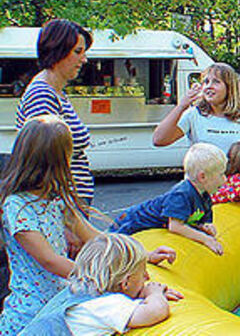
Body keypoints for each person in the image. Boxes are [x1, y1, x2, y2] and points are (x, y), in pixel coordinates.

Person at [0, 116, 176, 334]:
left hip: (61, 300)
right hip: (30, 313)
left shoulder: (54, 197)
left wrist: (142, 257)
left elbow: (94, 236)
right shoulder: (17, 207)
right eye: (69, 156)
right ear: (55, 161)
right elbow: (49, 260)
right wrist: (107, 279)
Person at [21, 233, 183, 336]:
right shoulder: (107, 305)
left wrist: (141, 294)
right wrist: (154, 294)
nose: (147, 278)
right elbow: (154, 312)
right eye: (143, 274)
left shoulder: (79, 292)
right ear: (125, 282)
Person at [15, 19, 95, 204]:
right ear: (57, 50)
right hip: (60, 205)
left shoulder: (56, 92)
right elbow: (44, 159)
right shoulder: (42, 95)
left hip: (69, 203)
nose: (84, 60)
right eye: (78, 52)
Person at [109, 143, 227, 256]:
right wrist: (206, 240)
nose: (225, 179)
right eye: (221, 174)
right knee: (110, 248)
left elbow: (196, 220)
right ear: (203, 177)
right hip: (131, 222)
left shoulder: (205, 196)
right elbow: (175, 226)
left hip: (143, 224)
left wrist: (204, 226)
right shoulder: (182, 194)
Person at [153, 63, 240, 155]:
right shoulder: (194, 114)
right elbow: (159, 140)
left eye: (216, 82)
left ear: (229, 88)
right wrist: (181, 106)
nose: (209, 86)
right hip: (200, 176)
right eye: (206, 82)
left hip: (231, 176)